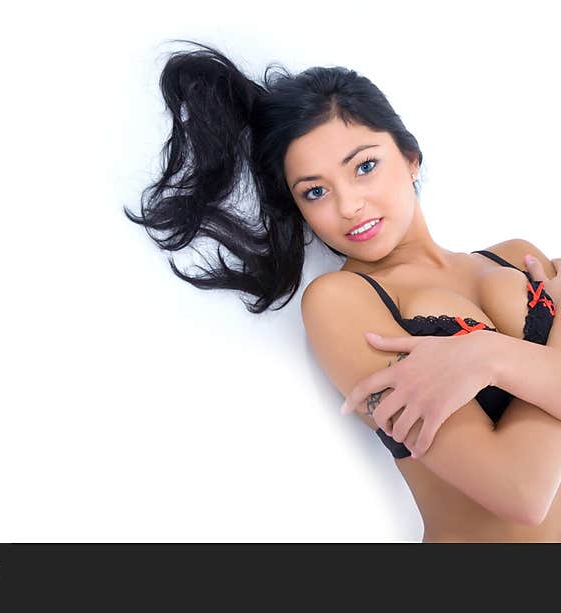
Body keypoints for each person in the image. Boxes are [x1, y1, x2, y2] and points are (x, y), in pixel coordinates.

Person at [124, 40, 561, 542]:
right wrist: (506, 352)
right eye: (315, 191)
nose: (350, 204)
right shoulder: (342, 302)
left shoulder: (514, 253)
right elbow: (521, 491)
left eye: (364, 166)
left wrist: (491, 358)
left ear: (410, 156)